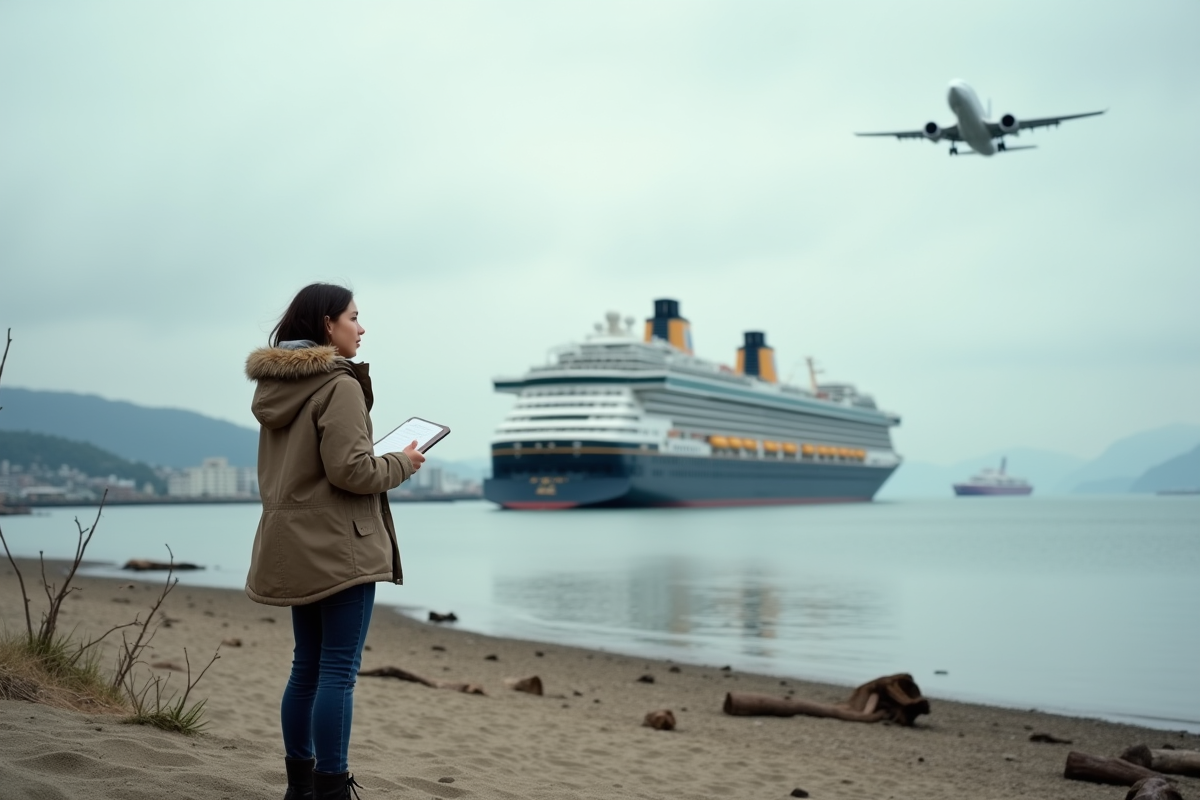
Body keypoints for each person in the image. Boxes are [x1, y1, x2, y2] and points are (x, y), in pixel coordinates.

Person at [244, 283, 425, 800]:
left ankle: (299, 786)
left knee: (306, 667)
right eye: (353, 317)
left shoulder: (277, 387)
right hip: (341, 547)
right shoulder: (338, 384)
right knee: (338, 672)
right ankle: (331, 787)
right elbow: (351, 471)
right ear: (328, 324)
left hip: (293, 544)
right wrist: (403, 462)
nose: (361, 328)